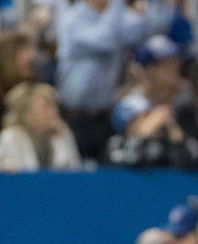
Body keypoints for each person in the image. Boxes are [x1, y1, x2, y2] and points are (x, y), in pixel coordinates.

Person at [55, 0, 172, 161]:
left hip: (103, 117)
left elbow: (155, 27)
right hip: (74, 118)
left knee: (107, 178)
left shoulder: (117, 18)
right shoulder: (71, 19)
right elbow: (105, 39)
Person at [0, 81, 79, 170]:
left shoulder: (62, 134)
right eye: (45, 106)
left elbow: (75, 173)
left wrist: (65, 136)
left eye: (54, 105)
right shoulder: (10, 138)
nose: (53, 112)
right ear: (26, 112)